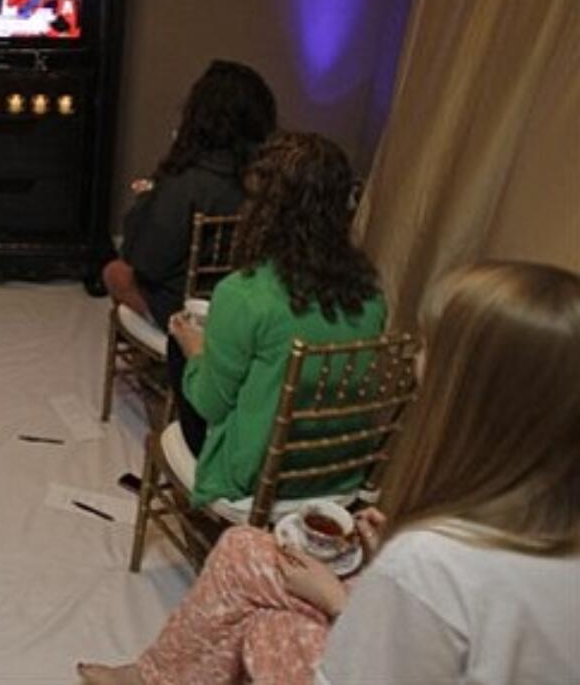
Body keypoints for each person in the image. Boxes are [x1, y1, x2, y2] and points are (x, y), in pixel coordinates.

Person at [79, 260, 580, 685]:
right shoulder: (366, 295)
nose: (412, 357)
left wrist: (339, 601)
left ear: (470, 392)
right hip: (362, 544)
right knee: (241, 549)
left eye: (429, 346)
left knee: (267, 627)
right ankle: (154, 676)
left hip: (336, 592)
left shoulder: (435, 561)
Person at [165, 132, 386, 494]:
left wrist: (194, 347)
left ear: (264, 211)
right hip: (337, 471)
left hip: (258, 476)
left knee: (180, 340)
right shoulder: (371, 295)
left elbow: (210, 405)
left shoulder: (243, 294)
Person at [104, 60, 277, 330]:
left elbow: (145, 260)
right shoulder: (274, 176)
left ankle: (175, 336)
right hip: (249, 297)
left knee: (114, 273)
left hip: (190, 305)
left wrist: (146, 200)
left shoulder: (187, 180)